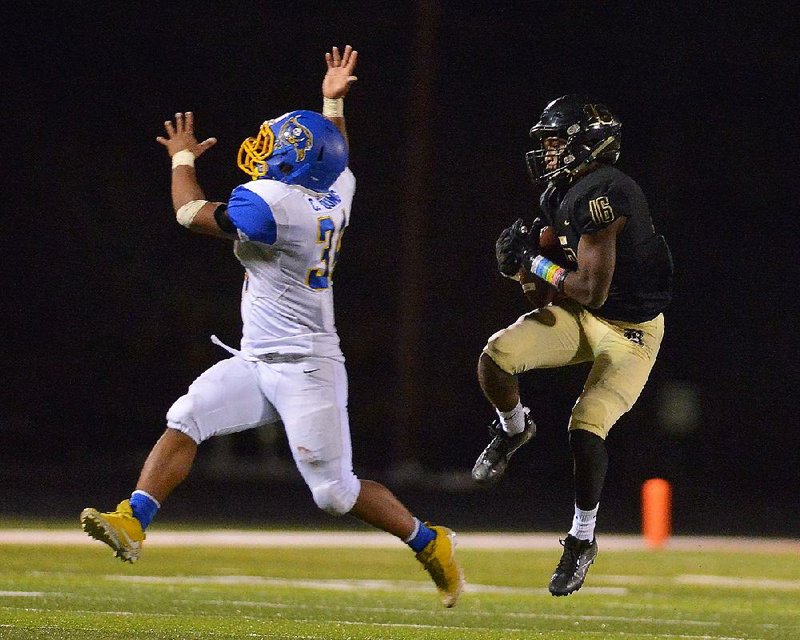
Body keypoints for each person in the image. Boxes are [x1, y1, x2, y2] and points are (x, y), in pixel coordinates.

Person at [80, 45, 463, 608]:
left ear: (296, 162)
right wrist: (332, 105)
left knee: (335, 494)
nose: (266, 152)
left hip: (308, 367)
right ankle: (133, 521)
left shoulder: (274, 206)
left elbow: (189, 214)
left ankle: (431, 541)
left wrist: (181, 159)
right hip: (257, 359)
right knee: (187, 416)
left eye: (278, 146)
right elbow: (339, 157)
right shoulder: (337, 190)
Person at [472, 95, 673, 596]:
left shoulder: (608, 192)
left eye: (557, 142)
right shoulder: (560, 193)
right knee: (497, 355)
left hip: (631, 331)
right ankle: (514, 429)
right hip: (585, 318)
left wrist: (534, 261)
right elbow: (548, 290)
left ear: (587, 142)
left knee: (586, 426)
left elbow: (589, 288)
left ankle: (582, 539)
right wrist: (521, 270)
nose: (548, 152)